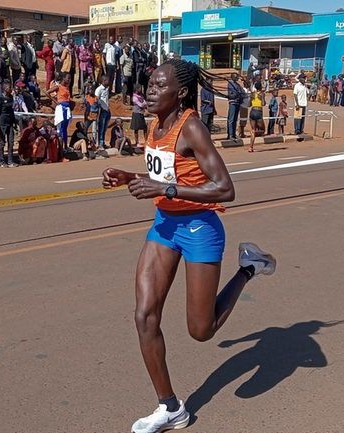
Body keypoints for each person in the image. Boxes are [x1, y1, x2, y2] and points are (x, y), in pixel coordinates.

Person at [101, 59, 276, 433]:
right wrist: (130, 177)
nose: (149, 90)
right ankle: (170, 407)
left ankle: (249, 268)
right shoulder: (155, 123)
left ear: (179, 93)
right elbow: (167, 174)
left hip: (200, 227)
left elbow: (225, 188)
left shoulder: (191, 127)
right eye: (149, 83)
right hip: (164, 225)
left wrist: (164, 189)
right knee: (144, 316)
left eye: (158, 85)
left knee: (202, 330)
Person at [0, 81, 17, 167]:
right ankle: (2, 161)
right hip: (2, 122)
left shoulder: (10, 97)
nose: (11, 89)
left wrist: (14, 122)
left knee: (11, 141)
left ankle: (10, 161)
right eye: (10, 87)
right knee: (2, 141)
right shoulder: (0, 98)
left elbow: (11, 111)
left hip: (10, 122)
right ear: (5, 88)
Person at [47, 74, 73, 148]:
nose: (69, 80)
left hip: (67, 108)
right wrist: (56, 101)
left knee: (65, 128)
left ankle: (65, 146)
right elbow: (47, 92)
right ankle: (61, 147)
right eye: (68, 78)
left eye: (70, 78)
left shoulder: (67, 87)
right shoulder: (58, 86)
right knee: (61, 128)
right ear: (63, 78)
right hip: (62, 108)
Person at [248, 81, 265, 153]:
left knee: (253, 130)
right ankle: (256, 133)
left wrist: (252, 98)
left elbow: (249, 105)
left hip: (252, 111)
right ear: (261, 87)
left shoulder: (252, 94)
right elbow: (263, 104)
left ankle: (250, 147)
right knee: (263, 130)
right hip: (258, 112)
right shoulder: (262, 94)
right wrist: (261, 98)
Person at [95, 75, 111, 149]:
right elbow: (97, 100)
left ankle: (103, 142)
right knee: (101, 128)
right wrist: (100, 108)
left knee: (105, 128)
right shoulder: (99, 89)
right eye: (107, 80)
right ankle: (100, 143)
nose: (108, 82)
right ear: (103, 81)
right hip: (102, 111)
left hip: (107, 110)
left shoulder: (107, 89)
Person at [226, 73, 242, 140]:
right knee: (231, 120)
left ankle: (233, 134)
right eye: (236, 77)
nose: (237, 78)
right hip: (233, 103)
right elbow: (233, 93)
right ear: (233, 77)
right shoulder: (230, 84)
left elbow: (240, 92)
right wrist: (238, 94)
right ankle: (230, 135)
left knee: (235, 119)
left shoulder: (237, 85)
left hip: (237, 103)